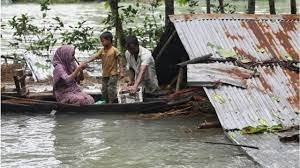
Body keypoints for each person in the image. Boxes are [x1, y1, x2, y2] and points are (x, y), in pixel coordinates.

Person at [86, 31, 124, 103]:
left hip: (113, 73)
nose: (102, 43)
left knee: (111, 88)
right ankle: (107, 101)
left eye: (103, 41)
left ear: (109, 40)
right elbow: (95, 57)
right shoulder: (102, 50)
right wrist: (86, 61)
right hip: (105, 73)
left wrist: (121, 72)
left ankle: (110, 102)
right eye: (101, 41)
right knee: (104, 89)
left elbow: (120, 61)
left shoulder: (114, 50)